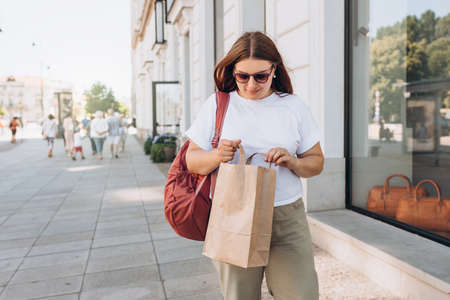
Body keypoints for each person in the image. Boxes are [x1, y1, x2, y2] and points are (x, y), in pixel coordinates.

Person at [185, 32, 324, 300]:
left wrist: (293, 161)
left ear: (274, 69)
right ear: (232, 72)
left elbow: (316, 163)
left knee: (302, 295)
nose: (251, 85)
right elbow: (192, 161)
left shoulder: (293, 106)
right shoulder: (217, 104)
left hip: (286, 217)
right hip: (234, 213)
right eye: (242, 76)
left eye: (260, 76)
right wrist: (217, 155)